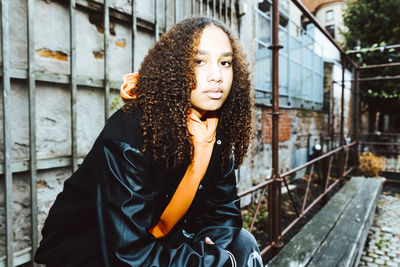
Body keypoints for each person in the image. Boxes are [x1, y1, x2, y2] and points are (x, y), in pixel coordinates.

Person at [34, 16, 263, 267]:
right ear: (175, 67)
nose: (217, 75)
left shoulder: (216, 130)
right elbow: (127, 255)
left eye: (225, 62)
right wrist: (214, 263)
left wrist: (218, 249)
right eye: (199, 61)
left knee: (242, 244)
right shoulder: (131, 135)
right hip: (91, 252)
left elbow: (224, 210)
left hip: (160, 242)